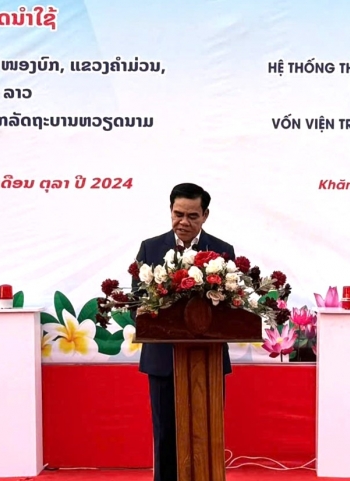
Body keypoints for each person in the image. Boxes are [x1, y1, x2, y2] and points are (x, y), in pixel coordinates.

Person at [132, 183, 234, 481]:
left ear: (205, 215)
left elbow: (232, 306)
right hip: (162, 360)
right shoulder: (150, 248)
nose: (184, 222)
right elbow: (136, 303)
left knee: (206, 432)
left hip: (208, 360)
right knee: (165, 434)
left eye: (192, 216)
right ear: (170, 211)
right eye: (178, 214)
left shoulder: (222, 250)